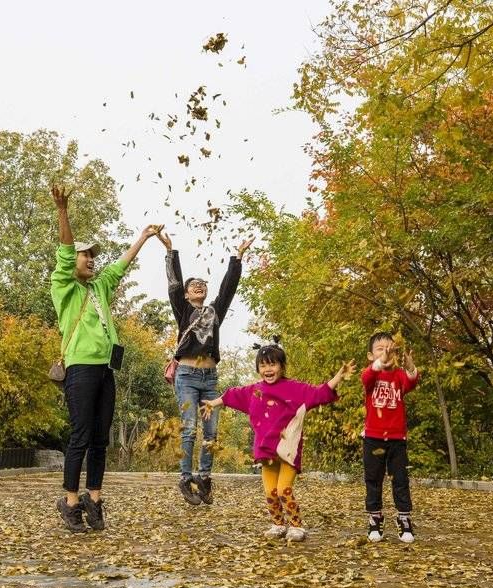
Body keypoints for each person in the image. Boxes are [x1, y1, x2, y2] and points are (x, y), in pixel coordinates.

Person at [51, 184, 161, 533]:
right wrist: (63, 210)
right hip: (80, 367)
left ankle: (94, 500)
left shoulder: (99, 287)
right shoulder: (64, 286)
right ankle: (69, 502)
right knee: (80, 435)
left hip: (105, 369)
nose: (91, 259)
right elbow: (65, 252)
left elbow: (119, 267)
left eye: (92, 255)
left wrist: (142, 238)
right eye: (86, 255)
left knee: (101, 438)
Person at [202, 341, 355, 542]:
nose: (268, 369)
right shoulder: (254, 391)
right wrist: (213, 404)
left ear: (282, 367)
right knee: (270, 491)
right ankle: (278, 524)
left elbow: (319, 393)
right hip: (266, 450)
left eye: (272, 364)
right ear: (258, 369)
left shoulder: (295, 389)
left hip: (287, 449)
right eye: (263, 365)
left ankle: (296, 526)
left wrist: (338, 377)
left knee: (284, 490)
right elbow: (232, 394)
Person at [156, 230, 254, 506]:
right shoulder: (183, 310)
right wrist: (170, 252)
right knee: (189, 429)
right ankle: (186, 479)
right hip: (186, 376)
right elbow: (173, 284)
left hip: (209, 378)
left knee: (211, 432)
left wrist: (237, 257)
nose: (199, 285)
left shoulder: (214, 312)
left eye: (202, 283)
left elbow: (228, 290)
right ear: (187, 295)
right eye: (193, 284)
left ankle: (205, 477)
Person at [361, 332, 419, 543]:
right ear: (371, 355)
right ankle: (375, 518)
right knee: (373, 479)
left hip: (397, 439)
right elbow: (367, 378)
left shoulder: (399, 375)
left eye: (390, 348)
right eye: (380, 349)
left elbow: (412, 381)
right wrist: (379, 363)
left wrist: (410, 367)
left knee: (400, 480)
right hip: (373, 438)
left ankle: (404, 518)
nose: (386, 352)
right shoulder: (371, 375)